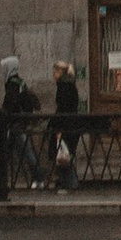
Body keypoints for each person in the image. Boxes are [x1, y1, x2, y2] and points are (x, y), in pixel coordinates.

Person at [50, 58, 82, 191]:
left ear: (60, 72)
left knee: (64, 154)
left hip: (66, 125)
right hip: (71, 124)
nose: (53, 75)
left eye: (54, 72)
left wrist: (58, 128)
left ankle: (70, 182)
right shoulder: (69, 84)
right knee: (65, 154)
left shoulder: (64, 86)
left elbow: (63, 108)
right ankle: (65, 181)